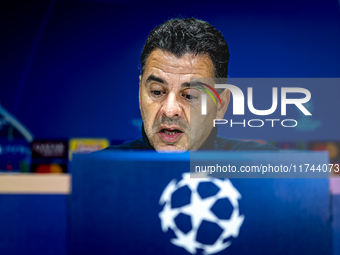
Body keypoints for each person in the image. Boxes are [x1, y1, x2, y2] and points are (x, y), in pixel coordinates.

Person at [107, 17, 277, 152]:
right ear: (140, 92)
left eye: (189, 96)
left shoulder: (269, 171)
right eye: (157, 92)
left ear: (221, 105)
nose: (170, 110)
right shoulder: (94, 174)